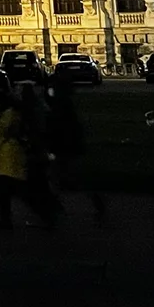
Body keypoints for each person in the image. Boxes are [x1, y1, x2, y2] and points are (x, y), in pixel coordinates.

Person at [46, 74, 107, 223]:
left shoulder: (59, 106)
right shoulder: (65, 104)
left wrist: (52, 146)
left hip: (64, 147)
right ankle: (56, 207)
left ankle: (53, 210)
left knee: (60, 177)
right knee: (69, 177)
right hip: (70, 147)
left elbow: (58, 128)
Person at [14, 81, 60, 227]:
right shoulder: (39, 107)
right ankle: (52, 210)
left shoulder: (28, 110)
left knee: (32, 186)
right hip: (40, 150)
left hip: (35, 151)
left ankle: (47, 214)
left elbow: (26, 131)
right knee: (40, 183)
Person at [0, 75, 28, 230]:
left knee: (9, 189)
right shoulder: (12, 109)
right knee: (10, 190)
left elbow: (1, 130)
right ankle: (5, 220)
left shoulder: (9, 112)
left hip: (9, 154)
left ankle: (5, 220)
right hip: (8, 153)